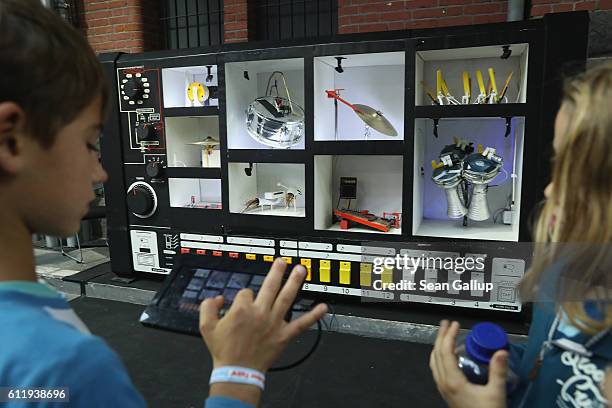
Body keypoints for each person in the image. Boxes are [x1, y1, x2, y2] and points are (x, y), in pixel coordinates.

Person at [0, 1, 327, 407]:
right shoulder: (64, 367)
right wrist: (238, 369)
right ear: (10, 141)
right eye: (89, 143)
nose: (102, 173)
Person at [430, 62, 612, 407]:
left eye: (580, 176)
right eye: (558, 165)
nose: (550, 189)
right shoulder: (564, 270)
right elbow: (543, 361)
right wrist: (499, 366)